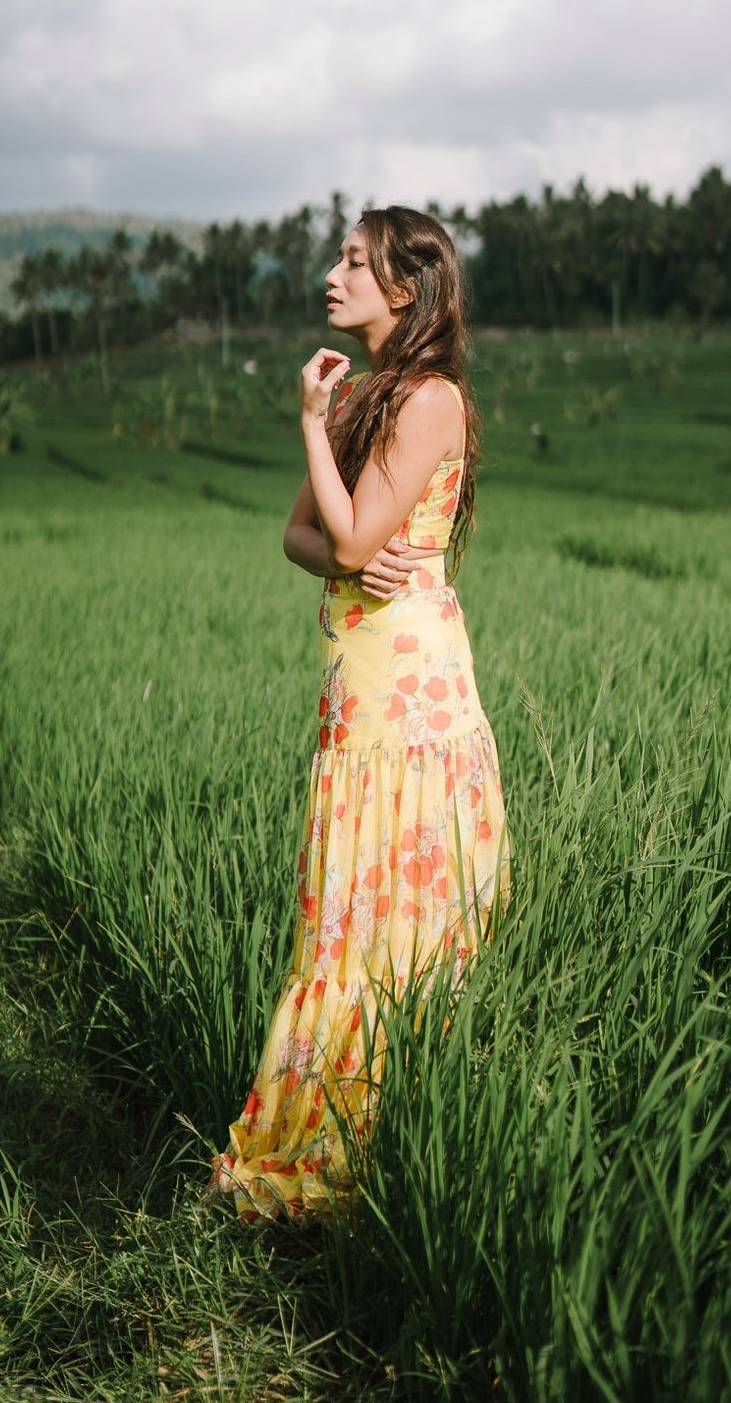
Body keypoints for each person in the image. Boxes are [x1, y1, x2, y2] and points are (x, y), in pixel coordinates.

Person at [211, 205, 511, 1220]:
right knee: (345, 912)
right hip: (361, 680)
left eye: (354, 261)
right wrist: (341, 520)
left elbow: (341, 544)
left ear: (403, 288)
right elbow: (301, 535)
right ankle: (336, 1127)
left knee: (392, 913)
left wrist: (312, 434)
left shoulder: (428, 399)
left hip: (409, 692)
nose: (333, 275)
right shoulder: (365, 398)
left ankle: (383, 1139)